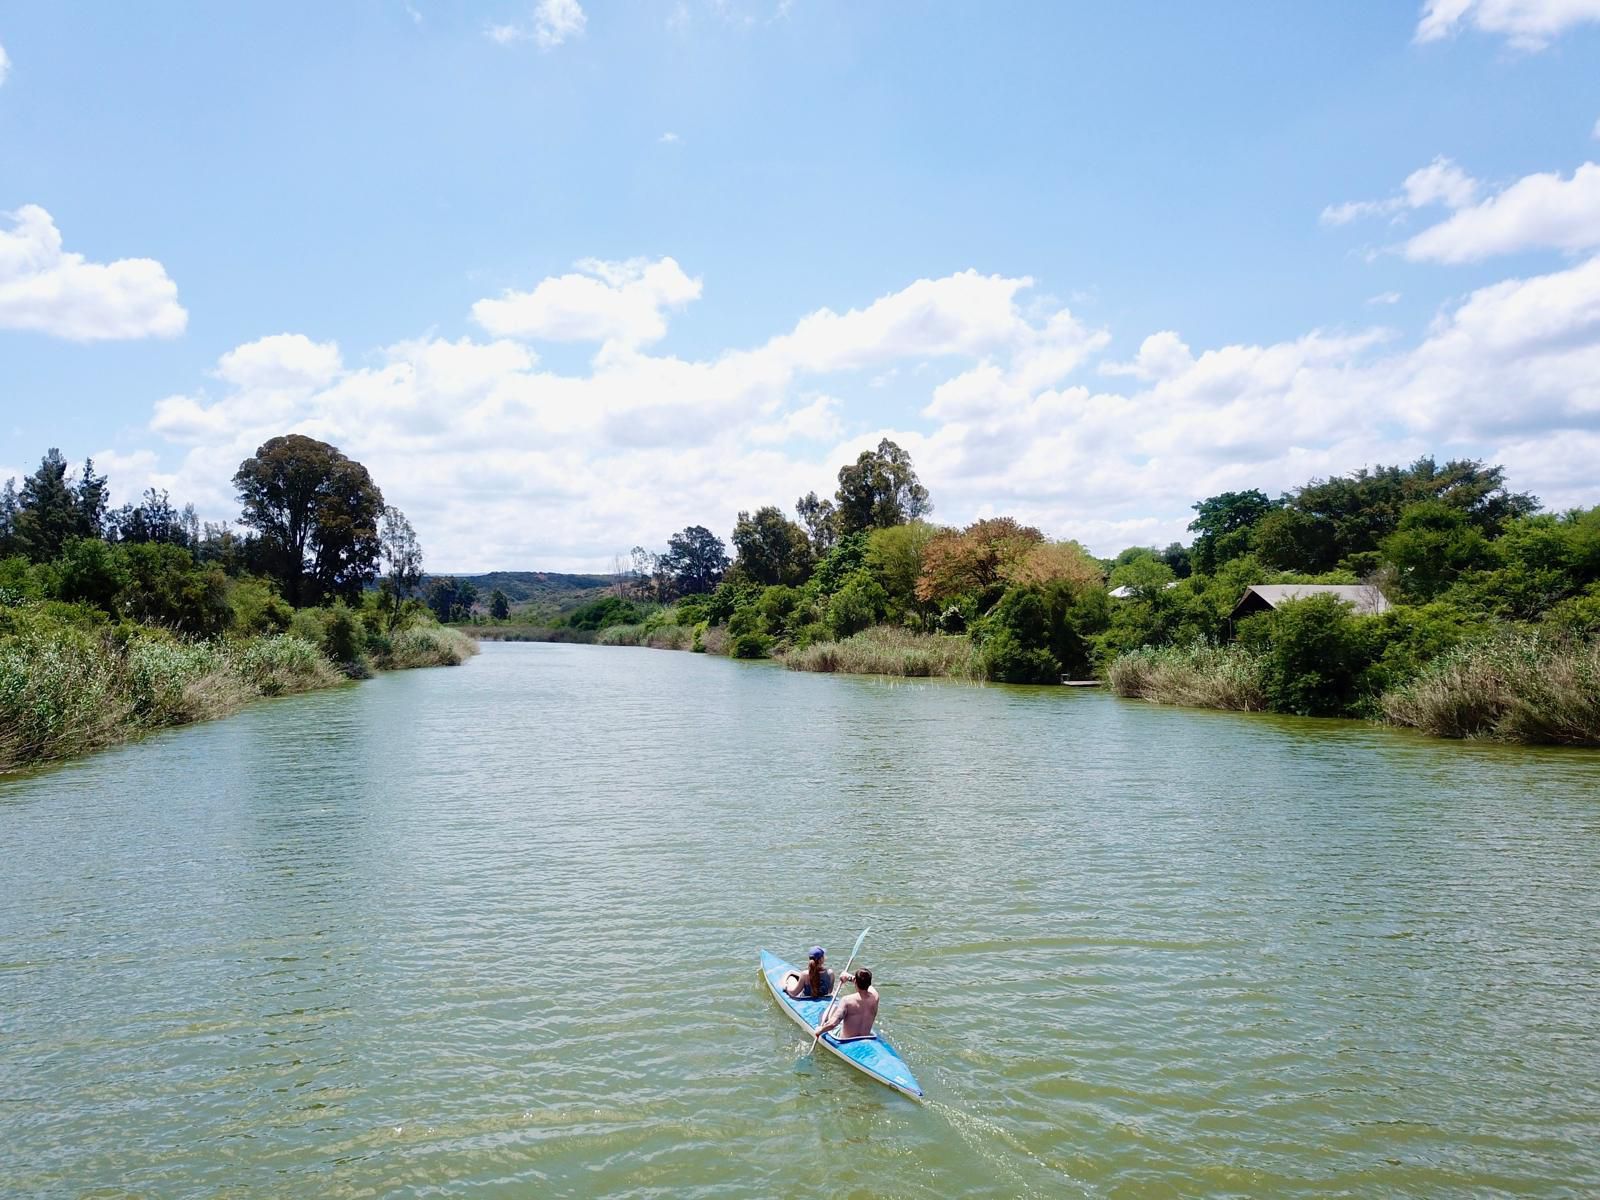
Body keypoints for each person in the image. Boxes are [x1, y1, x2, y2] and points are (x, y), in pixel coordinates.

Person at [815, 966, 877, 1040]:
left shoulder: (847, 1000)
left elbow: (833, 1024)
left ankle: (823, 1023)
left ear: (856, 983)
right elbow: (870, 987)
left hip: (846, 1039)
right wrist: (848, 977)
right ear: (869, 983)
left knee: (833, 1008)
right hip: (865, 1037)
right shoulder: (875, 998)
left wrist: (820, 1030)